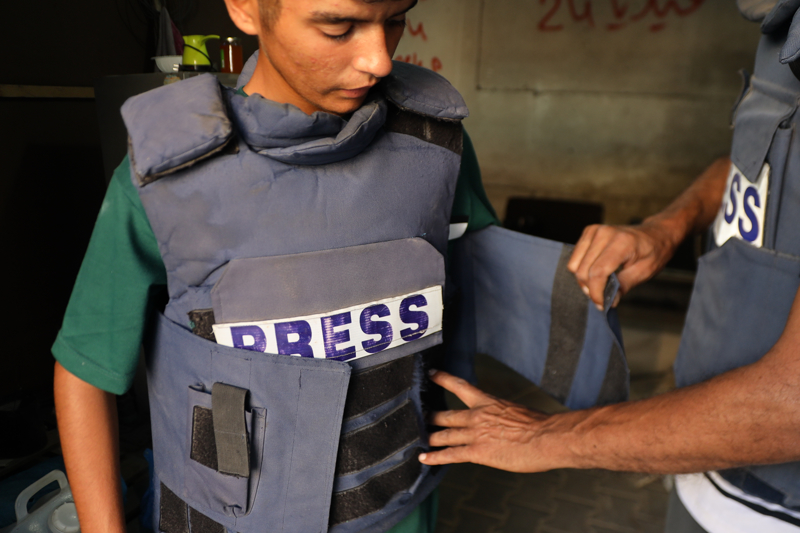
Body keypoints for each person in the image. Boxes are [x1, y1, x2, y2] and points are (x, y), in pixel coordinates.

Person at [52, 0, 627, 532]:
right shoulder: (169, 178)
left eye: (396, 18)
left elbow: (484, 275)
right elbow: (85, 369)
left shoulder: (434, 146)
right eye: (338, 26)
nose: (379, 60)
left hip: (401, 504)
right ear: (247, 8)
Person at [418, 1, 800, 531]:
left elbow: (789, 406)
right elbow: (753, 164)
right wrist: (665, 227)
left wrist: (544, 436)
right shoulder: (782, 31)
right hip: (704, 465)